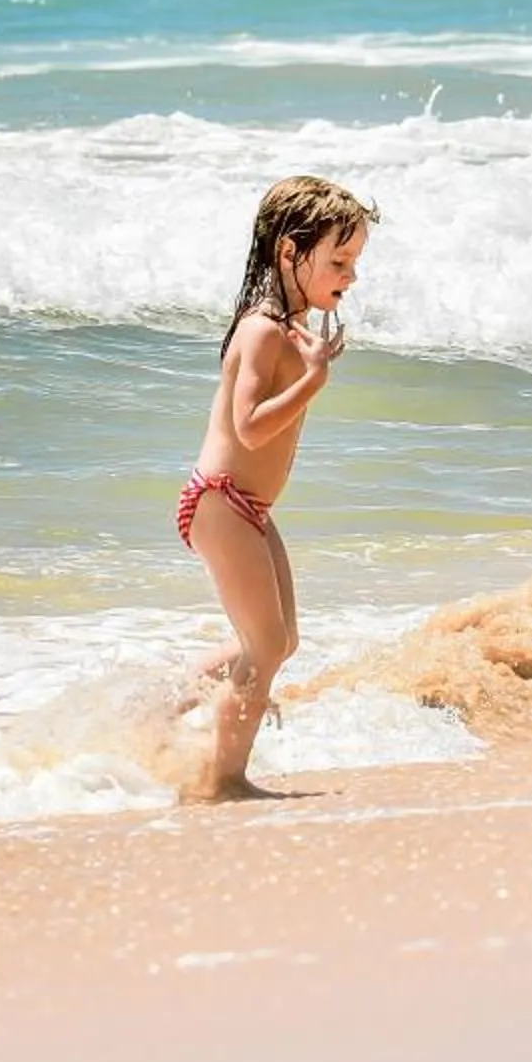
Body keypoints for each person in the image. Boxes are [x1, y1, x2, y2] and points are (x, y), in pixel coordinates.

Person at [177, 175, 378, 801]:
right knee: (263, 646)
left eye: (355, 263)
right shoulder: (263, 329)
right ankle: (224, 780)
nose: (350, 275)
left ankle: (170, 702)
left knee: (278, 642)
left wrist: (310, 366)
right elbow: (249, 427)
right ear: (290, 252)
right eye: (339, 260)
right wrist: (313, 380)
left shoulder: (291, 327)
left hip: (248, 507)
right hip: (220, 500)